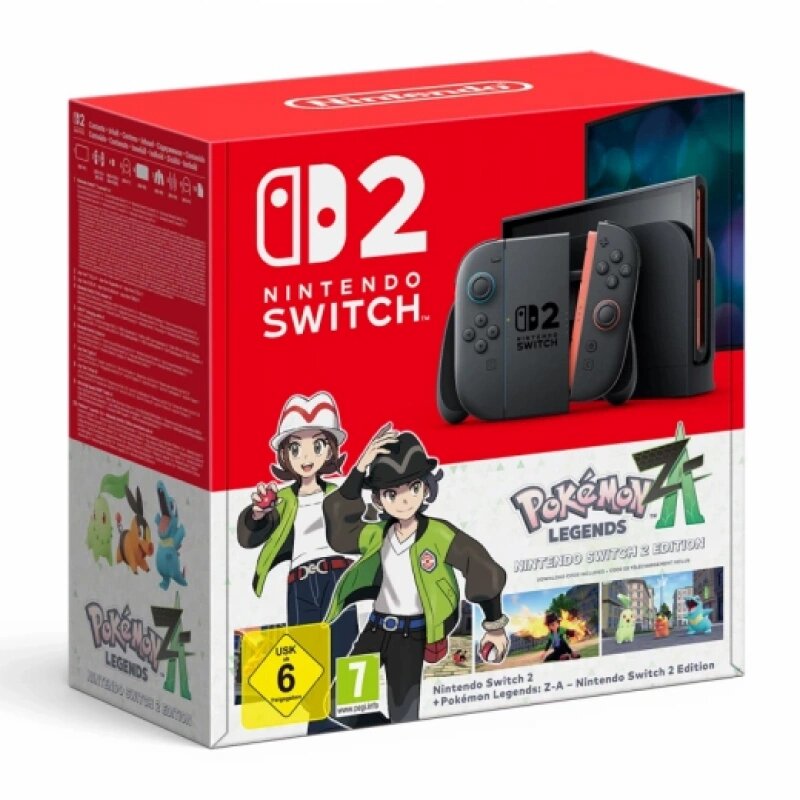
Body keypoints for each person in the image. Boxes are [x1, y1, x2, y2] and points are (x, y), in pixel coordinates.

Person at [323, 424, 510, 723]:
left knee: (404, 716)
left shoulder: (438, 534)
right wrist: (359, 468)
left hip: (411, 636)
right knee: (339, 705)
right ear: (378, 499)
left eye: (413, 488)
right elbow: (341, 531)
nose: (405, 500)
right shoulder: (376, 535)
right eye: (391, 493)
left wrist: (494, 625)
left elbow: (480, 565)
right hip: (375, 630)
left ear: (425, 488)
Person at [236, 391, 357, 733]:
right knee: (306, 658)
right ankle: (317, 726)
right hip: (300, 583)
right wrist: (259, 512)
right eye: (295, 448)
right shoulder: (282, 499)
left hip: (337, 577)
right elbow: (249, 536)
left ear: (330, 451)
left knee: (343, 648)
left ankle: (343, 720)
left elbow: (360, 527)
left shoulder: (337, 494)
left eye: (317, 446)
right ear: (285, 455)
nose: (306, 457)